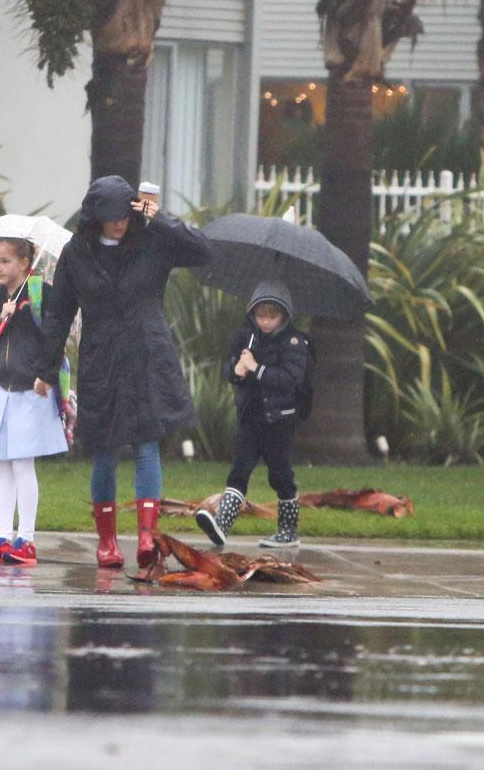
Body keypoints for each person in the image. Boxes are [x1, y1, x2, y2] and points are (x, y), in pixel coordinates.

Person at [33, 175, 211, 568]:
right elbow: (59, 312)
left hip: (148, 354)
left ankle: (148, 536)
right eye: (110, 216)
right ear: (94, 216)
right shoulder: (76, 253)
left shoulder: (152, 241)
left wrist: (158, 218)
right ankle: (107, 542)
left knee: (148, 444)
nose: (118, 223)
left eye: (124, 215)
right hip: (102, 360)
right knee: (105, 451)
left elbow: (201, 250)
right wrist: (47, 368)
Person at [0, 237, 69, 566]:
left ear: (25, 263)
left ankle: (26, 539)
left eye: (5, 261)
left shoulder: (42, 294)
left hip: (32, 388)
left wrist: (47, 375)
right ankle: (3, 536)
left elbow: (56, 338)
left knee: (23, 463)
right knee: (3, 463)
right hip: (0, 387)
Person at [195, 281, 310, 548]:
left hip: (279, 420)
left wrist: (257, 369)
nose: (266, 322)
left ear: (284, 316)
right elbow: (230, 367)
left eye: (272, 316)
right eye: (260, 315)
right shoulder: (246, 337)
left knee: (279, 472)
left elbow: (290, 378)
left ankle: (288, 529)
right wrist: (236, 371)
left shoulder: (294, 342)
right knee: (240, 469)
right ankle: (222, 525)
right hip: (250, 417)